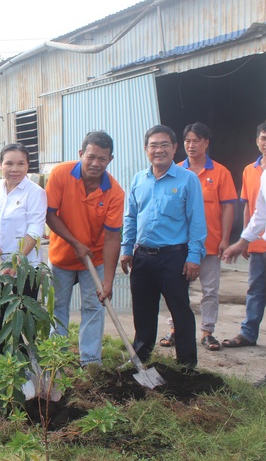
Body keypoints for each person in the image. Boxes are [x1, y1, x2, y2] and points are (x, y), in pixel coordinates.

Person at [120, 125, 206, 368]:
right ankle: (141, 357)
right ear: (146, 150)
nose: (159, 150)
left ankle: (187, 364)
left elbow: (197, 222)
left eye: (164, 144)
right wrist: (127, 249)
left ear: (175, 148)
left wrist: (194, 257)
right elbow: (131, 217)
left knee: (180, 310)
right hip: (143, 257)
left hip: (174, 258)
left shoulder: (188, 180)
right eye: (153, 145)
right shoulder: (139, 179)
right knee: (143, 311)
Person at [45, 131, 124, 367]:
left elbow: (112, 238)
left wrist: (108, 280)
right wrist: (76, 243)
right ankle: (55, 355)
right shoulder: (61, 174)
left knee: (93, 306)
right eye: (91, 157)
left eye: (102, 158)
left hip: (96, 258)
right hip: (61, 257)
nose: (95, 163)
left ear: (110, 160)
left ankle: (90, 360)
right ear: (81, 154)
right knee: (57, 307)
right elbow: (49, 214)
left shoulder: (115, 192)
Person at [159, 123, 237, 351]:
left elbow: (229, 208)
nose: (191, 145)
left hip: (210, 244)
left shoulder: (220, 172)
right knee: (177, 289)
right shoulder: (176, 171)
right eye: (187, 141)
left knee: (210, 290)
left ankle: (207, 332)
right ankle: (175, 329)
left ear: (206, 143)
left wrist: (225, 239)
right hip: (179, 245)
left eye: (196, 141)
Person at [0, 143, 47, 354]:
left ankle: (25, 364)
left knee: (24, 318)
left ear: (28, 166)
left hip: (25, 269)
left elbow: (35, 230)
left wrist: (16, 263)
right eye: (9, 163)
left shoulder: (35, 193)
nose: (14, 169)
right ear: (0, 165)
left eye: (20, 164)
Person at [223, 123, 266, 387]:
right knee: (262, 297)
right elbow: (257, 213)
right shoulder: (257, 174)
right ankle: (253, 338)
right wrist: (242, 241)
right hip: (265, 248)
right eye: (265, 139)